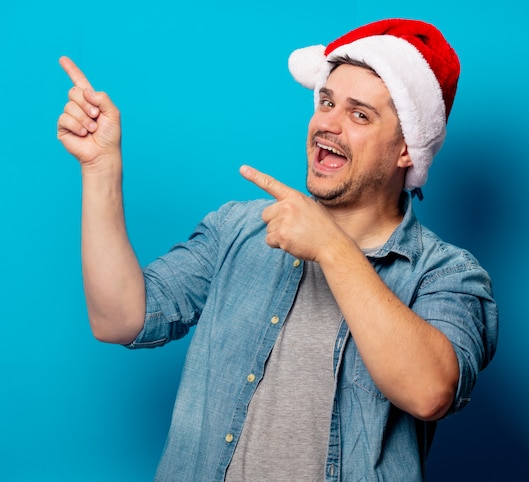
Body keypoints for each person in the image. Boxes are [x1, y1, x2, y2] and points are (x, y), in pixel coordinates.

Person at [57, 18, 498, 482]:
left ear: (407, 149)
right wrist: (100, 168)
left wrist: (332, 246)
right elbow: (119, 319)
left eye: (359, 114)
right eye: (326, 102)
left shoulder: (448, 276)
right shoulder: (239, 228)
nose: (328, 123)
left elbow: (430, 391)